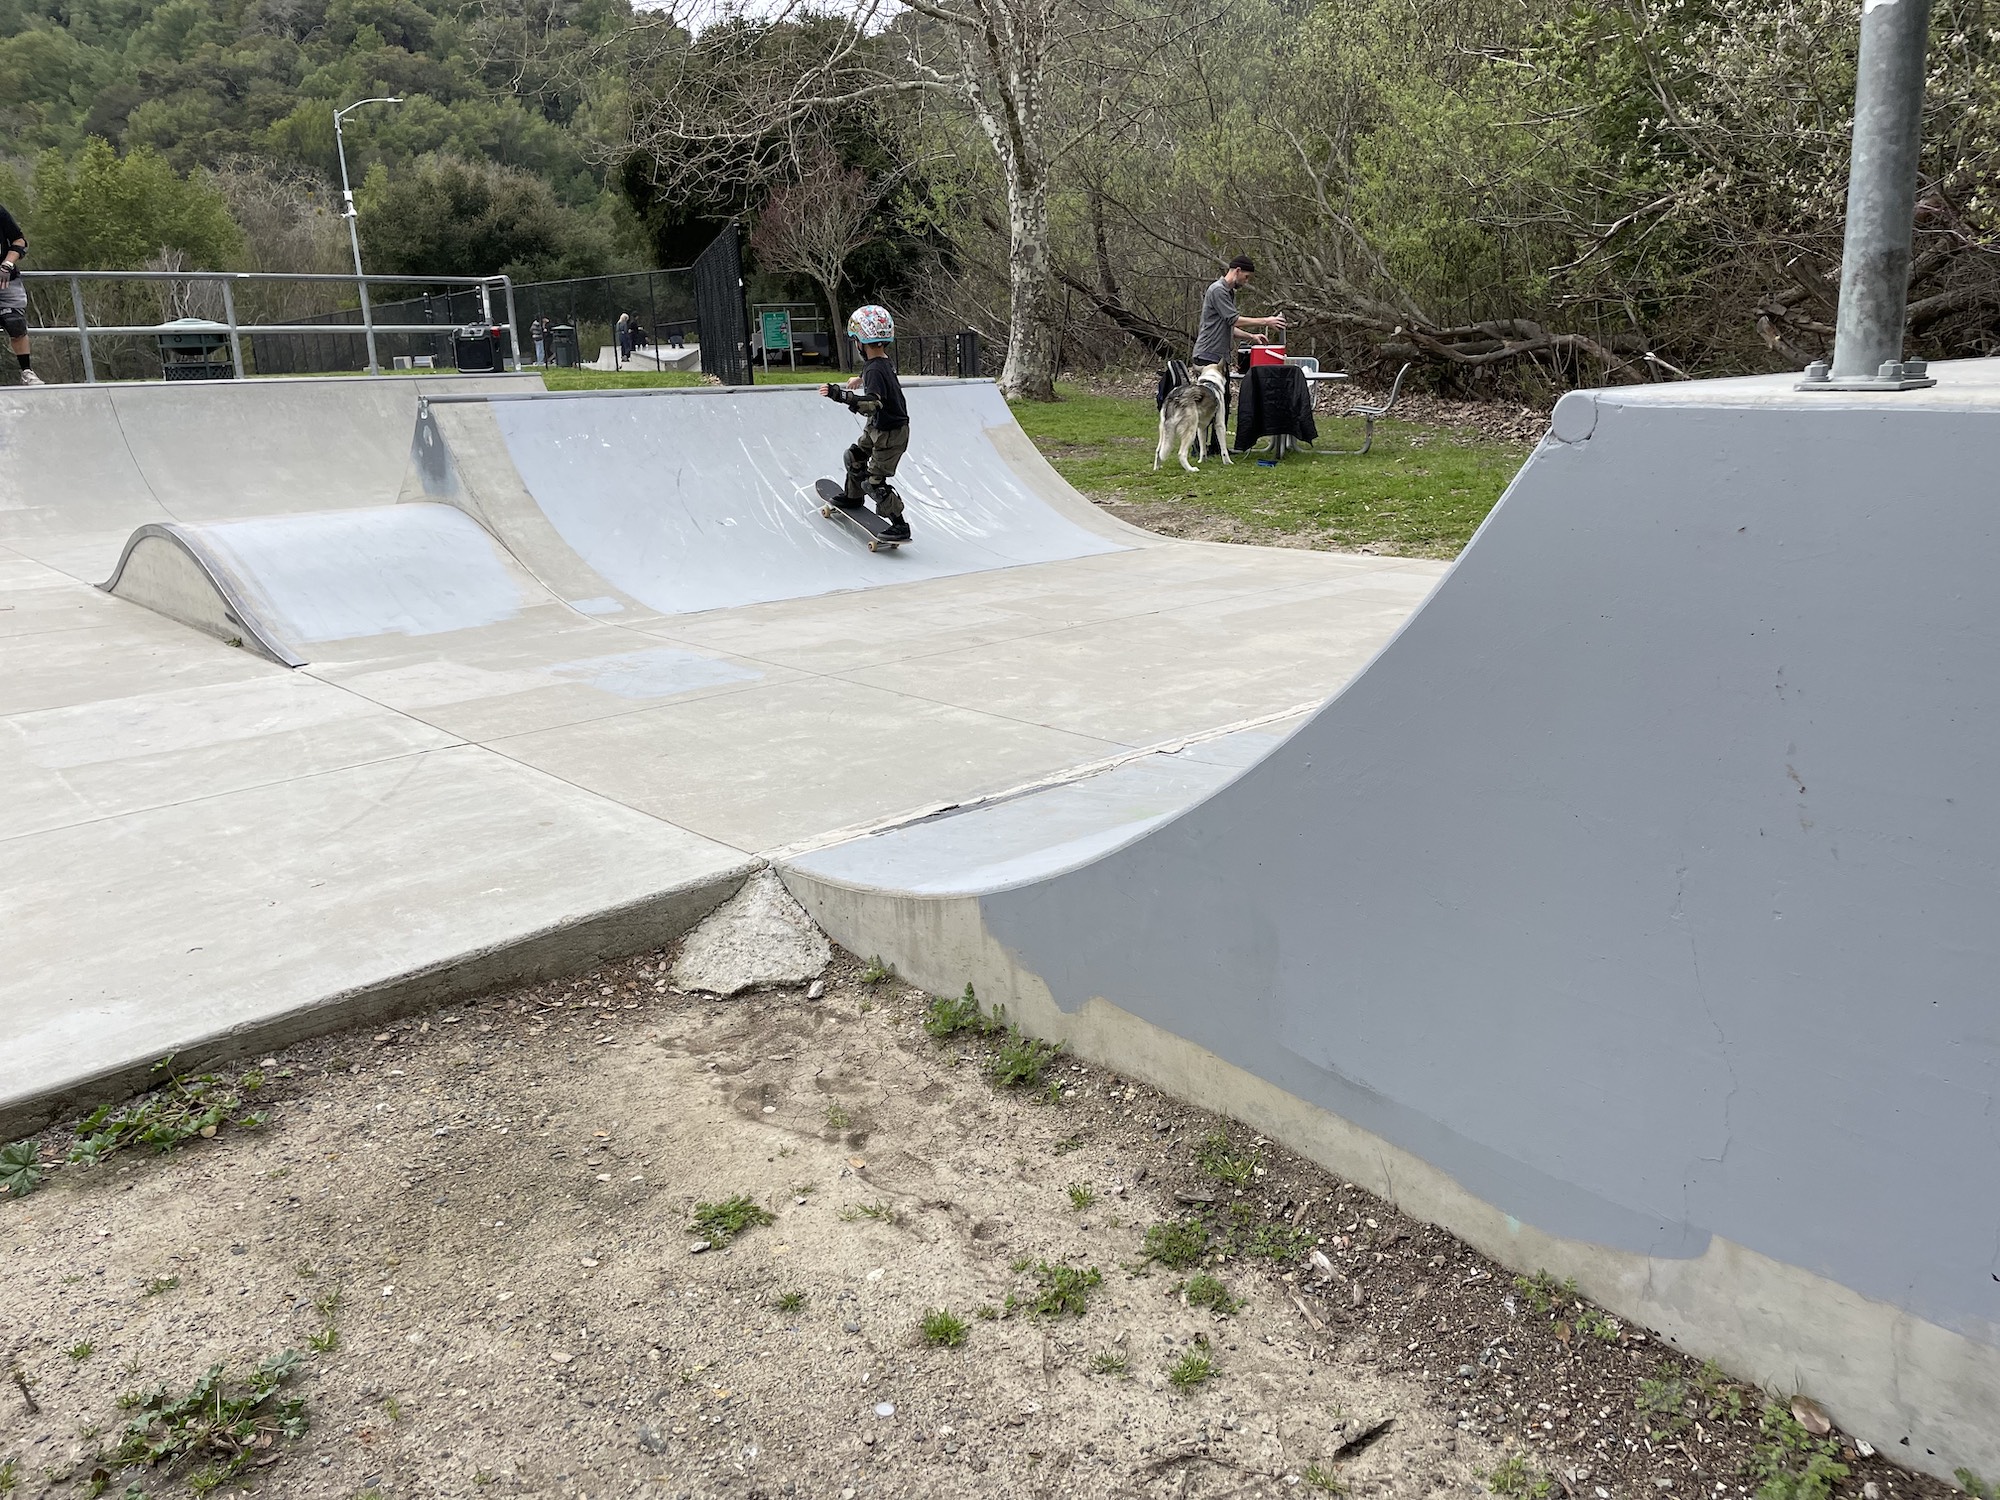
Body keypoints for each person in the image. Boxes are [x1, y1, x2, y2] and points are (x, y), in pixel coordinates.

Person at [819, 304, 911, 541]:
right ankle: (852, 496)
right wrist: (859, 379)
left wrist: (841, 395)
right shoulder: (879, 363)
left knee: (874, 482)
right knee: (855, 457)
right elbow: (878, 376)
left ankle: (900, 525)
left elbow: (873, 403)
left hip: (891, 433)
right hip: (878, 427)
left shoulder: (874, 370)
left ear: (860, 342)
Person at [1192, 255, 1286, 368]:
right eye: (1246, 277)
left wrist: (1251, 336)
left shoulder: (1229, 292)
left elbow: (1229, 326)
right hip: (1208, 356)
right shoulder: (1218, 290)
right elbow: (1234, 320)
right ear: (1238, 271)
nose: (1246, 282)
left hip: (1220, 358)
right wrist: (1266, 321)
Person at [0, 200, 41, 386]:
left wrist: (8, 262)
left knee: (15, 323)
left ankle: (27, 371)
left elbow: (19, 240)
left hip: (6, 280)